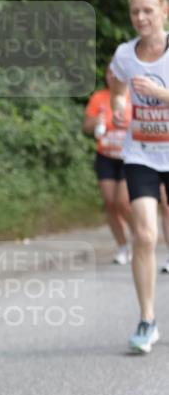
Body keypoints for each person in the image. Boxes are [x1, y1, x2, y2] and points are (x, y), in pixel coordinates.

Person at [109, 0, 169, 353]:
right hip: (141, 153)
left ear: (164, 11)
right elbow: (116, 84)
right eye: (135, 12)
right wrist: (118, 104)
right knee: (145, 235)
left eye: (148, 10)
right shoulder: (124, 54)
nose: (141, 17)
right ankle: (147, 320)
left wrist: (162, 94)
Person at [83, 65, 132, 263]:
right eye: (109, 73)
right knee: (110, 203)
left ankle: (141, 233)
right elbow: (85, 126)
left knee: (122, 201)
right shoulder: (99, 97)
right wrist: (95, 123)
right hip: (105, 156)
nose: (111, 76)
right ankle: (123, 246)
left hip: (129, 156)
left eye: (116, 73)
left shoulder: (134, 96)